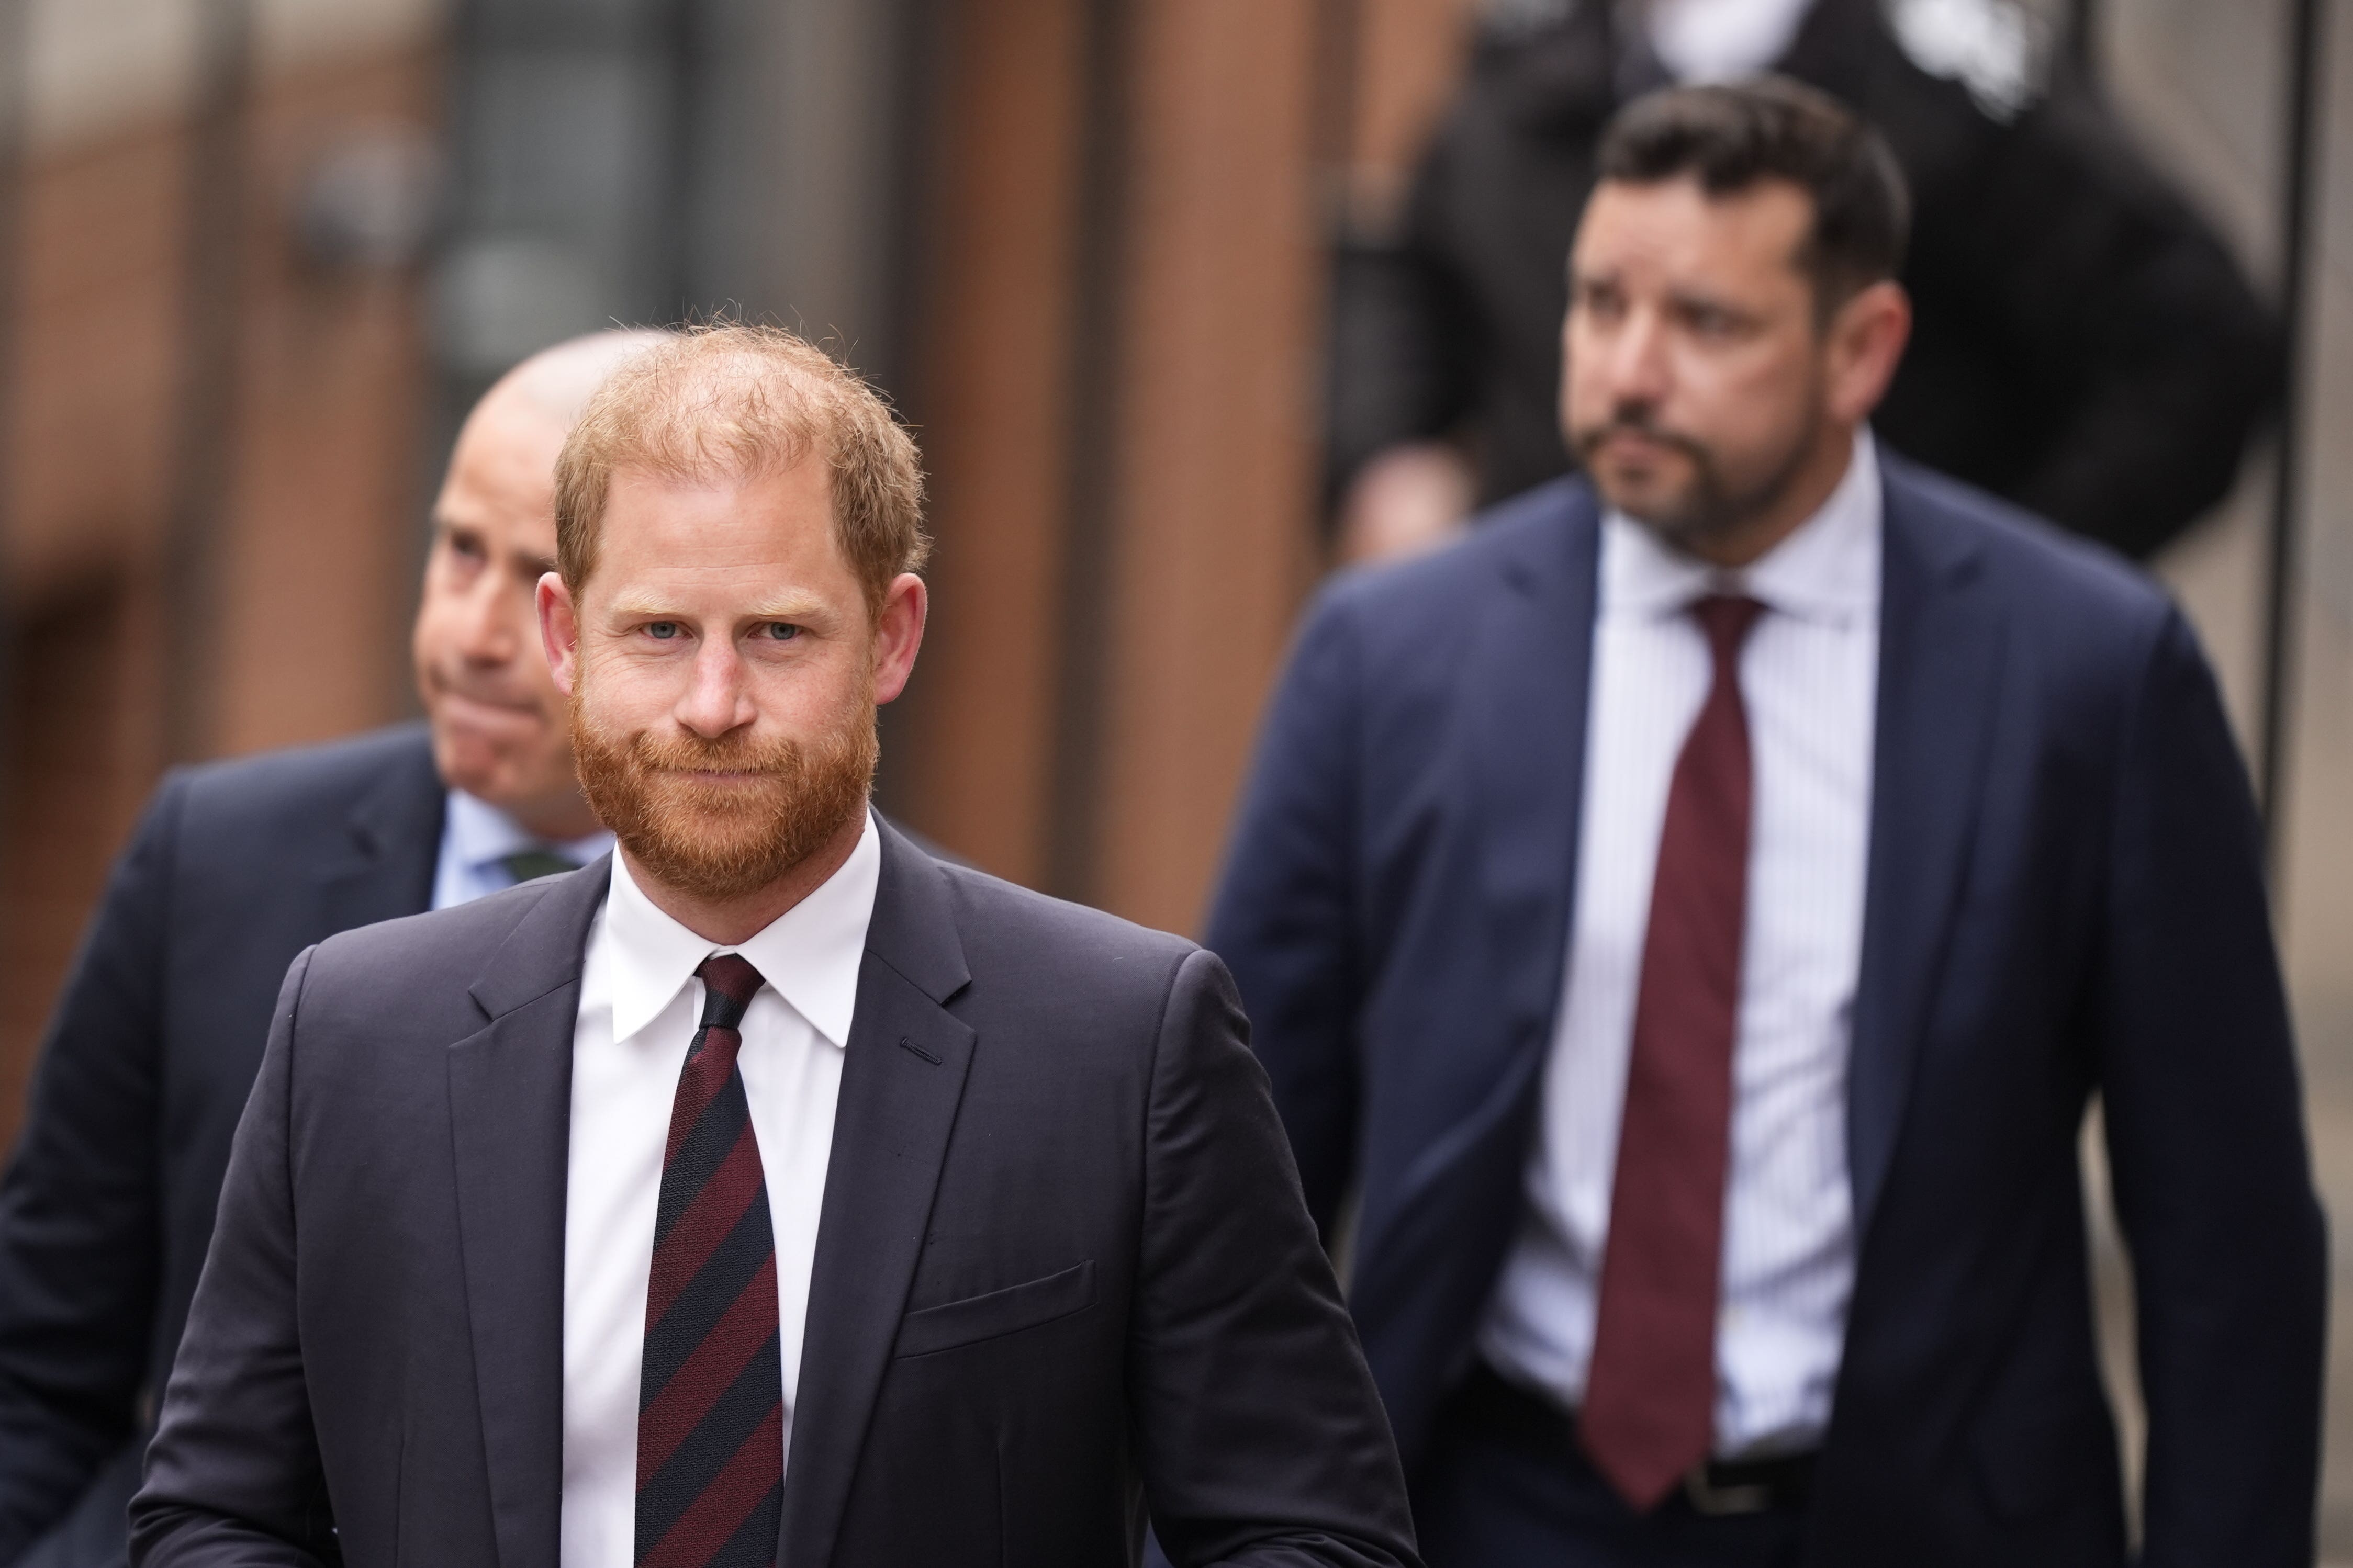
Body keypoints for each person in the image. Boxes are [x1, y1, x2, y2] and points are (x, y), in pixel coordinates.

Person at [1210, 80, 2322, 1564]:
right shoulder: (1388, 658)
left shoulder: (2091, 675)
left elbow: (2226, 1237)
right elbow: (1238, 1180)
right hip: (1498, 1511)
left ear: (1863, 348)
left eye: (1706, 323)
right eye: (1600, 304)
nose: (1629, 371)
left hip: (1930, 1525)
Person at [128, 324, 1418, 1568]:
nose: (713, 705)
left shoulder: (1123, 1047)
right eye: (659, 631)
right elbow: (214, 1513)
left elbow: (1316, 1531)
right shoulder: (356, 1033)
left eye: (778, 633)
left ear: (893, 636)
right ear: (567, 638)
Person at [0, 329, 667, 1568]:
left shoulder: (826, 947)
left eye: (544, 581)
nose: (472, 633)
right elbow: (40, 1358)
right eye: (459, 549)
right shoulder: (213, 861)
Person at [1327, 0, 2279, 565]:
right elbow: (1417, 249)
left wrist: (1992, 582)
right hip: (1550, 658)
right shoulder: (1549, 37)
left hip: (1852, 719)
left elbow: (2198, 345)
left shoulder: (1937, 78)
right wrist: (1387, 459)